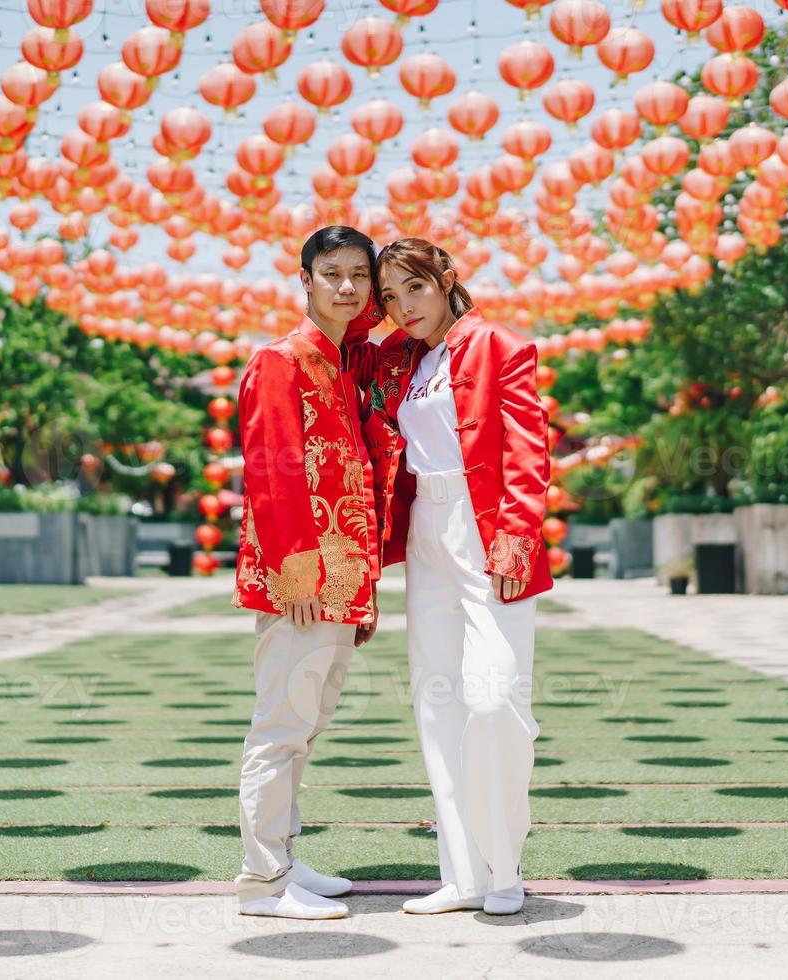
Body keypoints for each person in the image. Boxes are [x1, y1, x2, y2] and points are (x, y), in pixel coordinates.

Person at [344, 238, 553, 916]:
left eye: (416, 289)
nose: (404, 306)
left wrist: (518, 532)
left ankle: (504, 867)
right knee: (439, 706)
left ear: (447, 281)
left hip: (486, 529)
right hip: (426, 534)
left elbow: (527, 444)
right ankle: (463, 875)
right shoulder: (401, 360)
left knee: (495, 703)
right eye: (392, 296)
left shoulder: (498, 346)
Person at [231, 226, 382, 920]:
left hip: (345, 581)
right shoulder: (280, 362)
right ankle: (261, 882)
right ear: (306, 279)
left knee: (308, 725)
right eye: (332, 274)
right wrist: (296, 577)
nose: (347, 287)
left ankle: (284, 857)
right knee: (280, 727)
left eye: (359, 274)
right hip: (304, 583)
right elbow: (272, 471)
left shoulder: (349, 368)